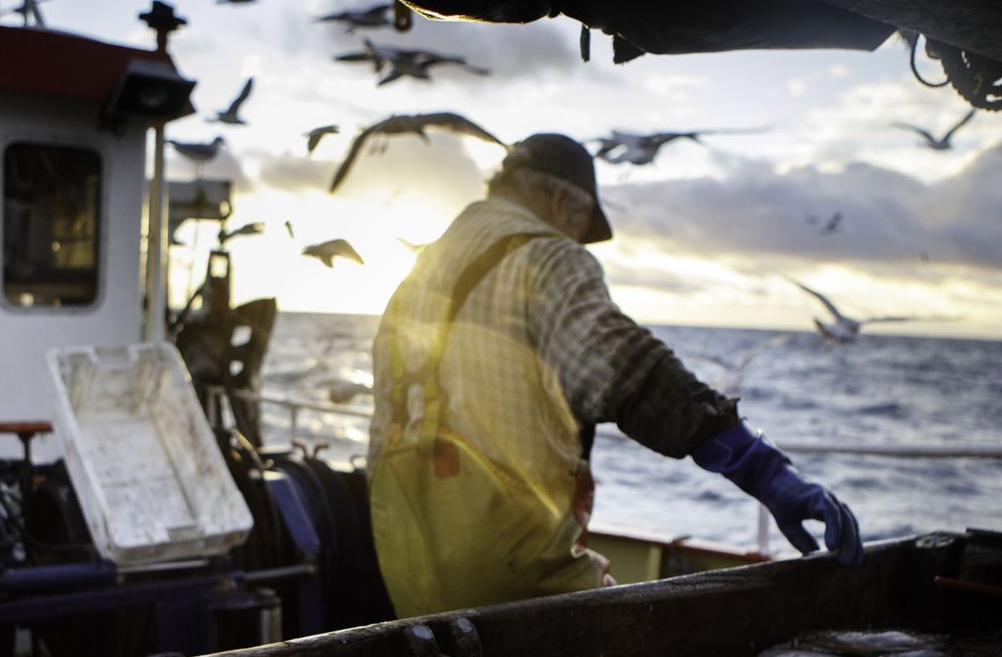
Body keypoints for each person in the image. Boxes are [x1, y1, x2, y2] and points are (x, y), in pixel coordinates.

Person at [367, 133, 863, 618]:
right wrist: (762, 470)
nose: (582, 238)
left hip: (410, 577)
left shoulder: (413, 279)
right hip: (513, 579)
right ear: (563, 200)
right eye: (584, 221)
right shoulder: (547, 256)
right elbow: (629, 371)